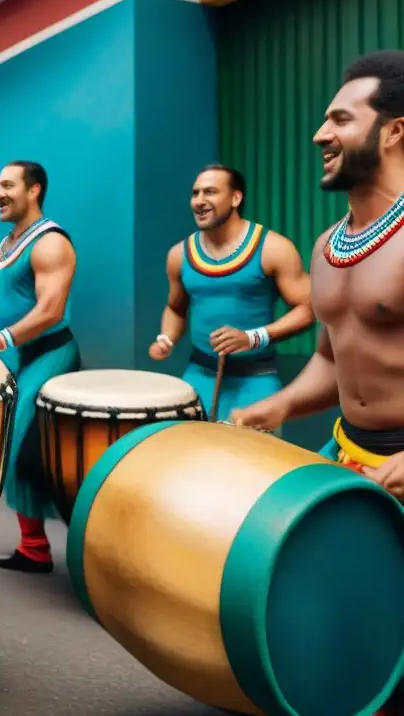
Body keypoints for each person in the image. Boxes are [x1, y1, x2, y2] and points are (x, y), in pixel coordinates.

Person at [232, 51, 404, 716]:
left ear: (392, 131)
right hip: (350, 461)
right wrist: (270, 408)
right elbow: (333, 363)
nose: (319, 134)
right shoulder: (328, 246)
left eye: (339, 118)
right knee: (338, 638)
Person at [0, 161, 80, 574]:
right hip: (16, 356)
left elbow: (51, 309)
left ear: (34, 190)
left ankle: (89, 543)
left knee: (32, 447)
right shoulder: (10, 243)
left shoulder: (50, 242)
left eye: (7, 185)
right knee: (10, 446)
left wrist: (2, 338)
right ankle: (34, 547)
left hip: (48, 354)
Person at [148, 165, 313, 421]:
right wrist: (166, 338)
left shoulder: (274, 248)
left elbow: (308, 309)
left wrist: (252, 338)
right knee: (185, 452)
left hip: (256, 379)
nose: (199, 201)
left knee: (251, 458)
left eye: (210, 192)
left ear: (236, 198)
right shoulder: (178, 255)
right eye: (195, 193)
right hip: (199, 374)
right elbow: (175, 308)